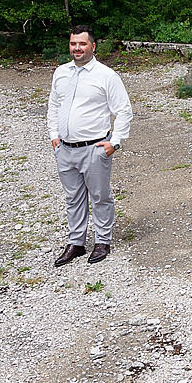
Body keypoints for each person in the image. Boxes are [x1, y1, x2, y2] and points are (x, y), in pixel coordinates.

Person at [47, 23, 134, 266]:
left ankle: (102, 241)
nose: (77, 48)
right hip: (65, 149)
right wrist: (54, 136)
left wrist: (115, 142)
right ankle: (76, 243)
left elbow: (124, 111)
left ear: (93, 46)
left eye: (82, 44)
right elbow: (54, 106)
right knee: (73, 198)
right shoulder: (61, 73)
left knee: (100, 196)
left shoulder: (106, 76)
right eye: (73, 43)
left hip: (95, 149)